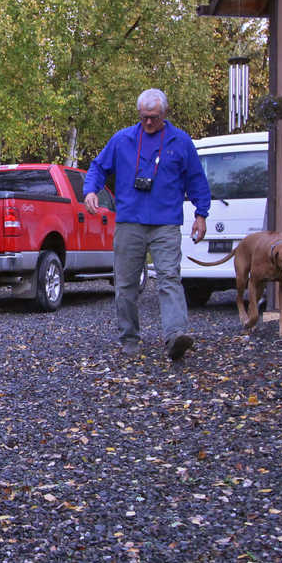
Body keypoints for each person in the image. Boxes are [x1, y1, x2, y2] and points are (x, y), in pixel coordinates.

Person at [83, 88, 211, 360]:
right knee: (126, 284)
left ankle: (176, 335)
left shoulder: (181, 142)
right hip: (130, 222)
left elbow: (196, 180)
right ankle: (129, 339)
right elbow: (97, 166)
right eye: (144, 118)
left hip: (166, 224)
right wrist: (91, 190)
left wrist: (201, 214)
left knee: (169, 278)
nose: (148, 123)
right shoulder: (122, 140)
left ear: (164, 114)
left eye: (153, 117)